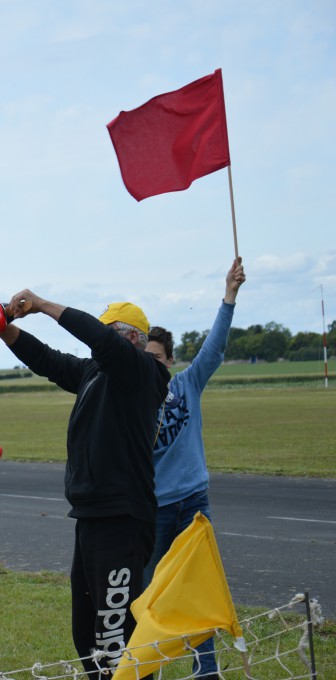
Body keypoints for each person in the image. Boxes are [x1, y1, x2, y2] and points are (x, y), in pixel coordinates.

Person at [0, 292, 170, 678]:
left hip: (122, 518)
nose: (98, 343)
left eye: (107, 332)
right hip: (93, 517)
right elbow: (49, 361)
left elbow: (100, 340)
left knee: (113, 636)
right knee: (87, 633)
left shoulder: (142, 372)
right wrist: (5, 330)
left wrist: (42, 305)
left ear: (129, 339)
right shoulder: (98, 372)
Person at [142, 257, 246, 680]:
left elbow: (215, 349)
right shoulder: (131, 401)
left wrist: (229, 297)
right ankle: (147, 665)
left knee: (198, 586)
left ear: (169, 361)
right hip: (155, 509)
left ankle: (206, 670)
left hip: (193, 502)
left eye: (158, 358)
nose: (152, 364)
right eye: (144, 357)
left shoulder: (187, 384)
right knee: (152, 589)